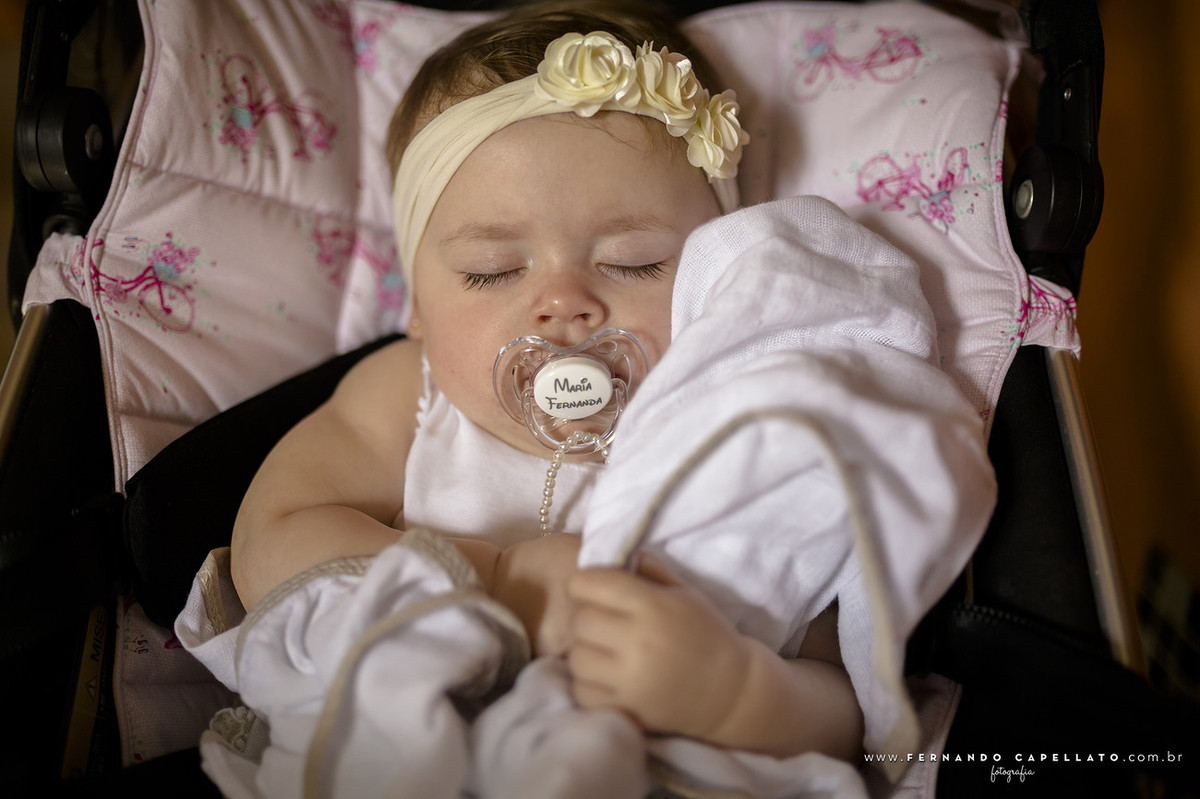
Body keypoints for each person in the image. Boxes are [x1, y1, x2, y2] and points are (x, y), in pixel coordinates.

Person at [177, 1, 994, 796]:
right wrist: (497, 582)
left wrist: (735, 691)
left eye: (636, 261)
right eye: (493, 269)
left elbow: (844, 708)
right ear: (418, 308)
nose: (564, 304)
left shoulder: (749, 433)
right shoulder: (409, 393)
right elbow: (271, 538)